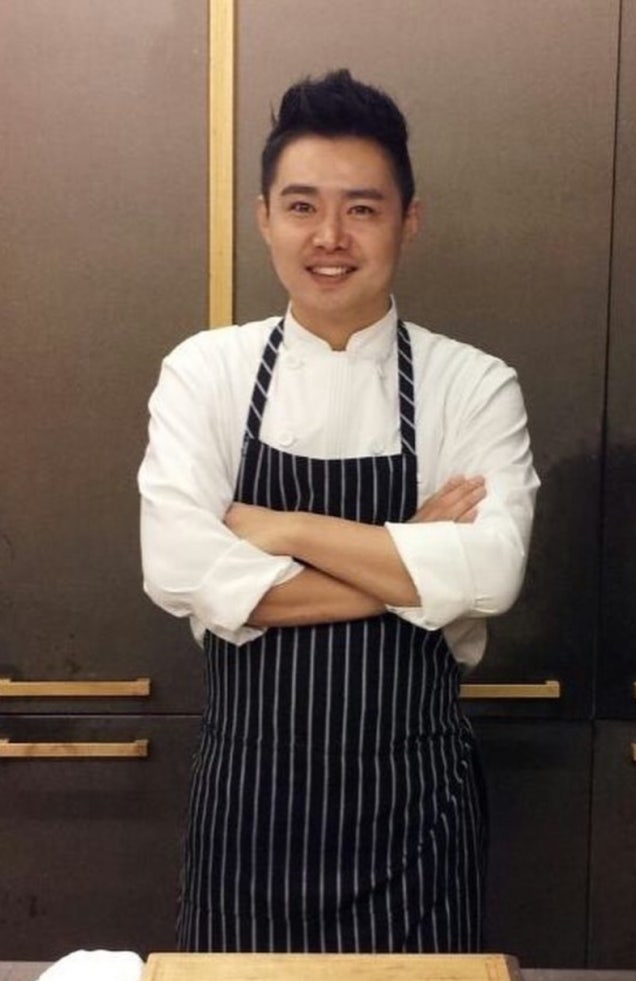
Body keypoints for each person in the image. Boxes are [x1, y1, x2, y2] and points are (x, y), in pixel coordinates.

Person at [138, 68, 539, 955]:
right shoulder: (205, 373)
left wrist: (281, 529)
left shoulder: (472, 384)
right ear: (263, 217)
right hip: (246, 814)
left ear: (408, 220)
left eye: (361, 208)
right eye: (301, 206)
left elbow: (491, 573)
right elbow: (177, 568)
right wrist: (411, 558)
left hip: (415, 820)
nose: (329, 237)